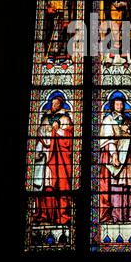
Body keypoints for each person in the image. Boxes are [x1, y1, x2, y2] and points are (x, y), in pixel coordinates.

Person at [33, 95, 73, 225]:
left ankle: (60, 217)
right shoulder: (45, 118)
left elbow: (69, 138)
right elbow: (39, 136)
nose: (53, 106)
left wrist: (58, 130)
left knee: (60, 185)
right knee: (44, 186)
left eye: (56, 104)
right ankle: (45, 215)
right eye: (52, 103)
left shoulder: (65, 118)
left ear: (61, 105)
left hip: (59, 157)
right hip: (45, 157)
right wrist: (39, 149)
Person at [99, 96, 131, 223]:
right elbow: (107, 138)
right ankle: (115, 215)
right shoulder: (108, 119)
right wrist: (114, 154)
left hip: (128, 157)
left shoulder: (128, 120)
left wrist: (130, 132)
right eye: (117, 104)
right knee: (116, 185)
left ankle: (129, 214)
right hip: (115, 157)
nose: (119, 106)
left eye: (121, 104)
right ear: (112, 105)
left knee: (128, 185)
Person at [43, 0, 77, 66]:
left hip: (64, 16)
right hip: (52, 16)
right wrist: (48, 8)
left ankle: (63, 57)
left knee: (64, 36)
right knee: (52, 36)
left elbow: (73, 2)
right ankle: (51, 56)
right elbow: (46, 1)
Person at [100, 0, 131, 65]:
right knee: (112, 34)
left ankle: (120, 56)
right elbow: (103, 1)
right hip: (110, 16)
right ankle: (112, 56)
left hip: (122, 16)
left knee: (122, 34)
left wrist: (124, 4)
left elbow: (129, 2)